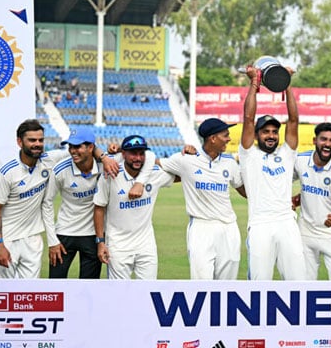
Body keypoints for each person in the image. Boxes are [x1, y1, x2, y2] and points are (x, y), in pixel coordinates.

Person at [157, 118, 246, 280]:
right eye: (225, 135)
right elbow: (153, 162)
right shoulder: (186, 159)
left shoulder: (229, 162)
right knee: (201, 284)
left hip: (229, 228)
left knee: (227, 286)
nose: (229, 139)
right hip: (201, 227)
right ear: (212, 138)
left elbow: (245, 192)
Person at [238, 66, 305, 280]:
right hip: (260, 224)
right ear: (256, 134)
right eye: (265, 131)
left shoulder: (286, 153)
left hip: (287, 222)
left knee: (297, 281)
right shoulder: (249, 155)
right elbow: (248, 118)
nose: (271, 135)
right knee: (260, 282)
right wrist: (254, 83)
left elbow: (293, 120)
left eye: (275, 131)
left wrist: (287, 83)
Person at [93, 135, 174, 279]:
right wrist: (100, 242)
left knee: (148, 291)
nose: (138, 158)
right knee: (119, 294)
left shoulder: (153, 173)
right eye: (133, 153)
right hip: (118, 246)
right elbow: (99, 208)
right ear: (123, 154)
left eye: (141, 153)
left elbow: (180, 175)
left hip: (146, 245)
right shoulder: (109, 174)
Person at [0, 119, 54, 279]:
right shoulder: (6, 173)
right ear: (20, 142)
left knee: (31, 293)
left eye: (40, 140)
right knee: (3, 293)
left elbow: (81, 149)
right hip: (8, 241)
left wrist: (104, 156)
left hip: (32, 240)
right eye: (32, 140)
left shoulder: (48, 161)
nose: (37, 144)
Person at [293, 122, 331, 280]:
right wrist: (292, 200)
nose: (327, 144)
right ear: (314, 140)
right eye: (323, 139)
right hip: (306, 231)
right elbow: (281, 183)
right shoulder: (301, 160)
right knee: (305, 284)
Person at [43, 129, 104, 279]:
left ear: (91, 148)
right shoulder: (60, 170)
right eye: (70, 147)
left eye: (77, 147)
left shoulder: (104, 166)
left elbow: (133, 155)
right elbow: (47, 203)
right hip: (65, 233)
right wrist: (52, 241)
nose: (72, 151)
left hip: (92, 235)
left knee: (89, 288)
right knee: (56, 286)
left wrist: (111, 153)